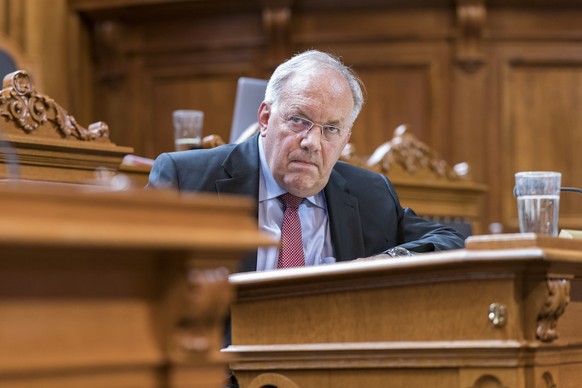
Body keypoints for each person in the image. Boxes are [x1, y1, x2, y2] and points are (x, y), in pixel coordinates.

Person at [148, 49, 465, 388]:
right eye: (299, 120)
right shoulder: (188, 179)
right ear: (266, 118)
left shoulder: (369, 194)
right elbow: (140, 292)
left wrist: (383, 261)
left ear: (345, 139)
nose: (312, 142)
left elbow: (452, 240)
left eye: (331, 129)